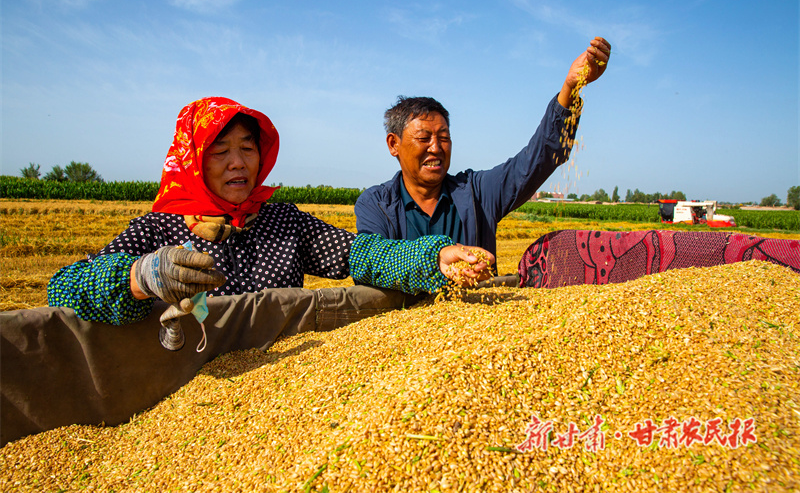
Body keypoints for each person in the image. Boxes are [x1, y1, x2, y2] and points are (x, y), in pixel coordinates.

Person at [1, 97, 493, 447]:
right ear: (195, 158)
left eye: (248, 148)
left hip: (288, 401)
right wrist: (139, 276)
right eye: (221, 150)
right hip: (182, 406)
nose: (239, 163)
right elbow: (63, 286)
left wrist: (432, 257)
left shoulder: (282, 220)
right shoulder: (159, 228)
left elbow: (361, 254)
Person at [355, 37, 611, 260]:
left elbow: (536, 160)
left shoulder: (476, 193)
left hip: (477, 316)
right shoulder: (376, 205)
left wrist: (570, 88)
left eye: (444, 137)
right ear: (394, 144)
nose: (436, 147)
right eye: (424, 138)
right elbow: (373, 260)